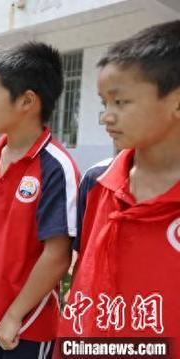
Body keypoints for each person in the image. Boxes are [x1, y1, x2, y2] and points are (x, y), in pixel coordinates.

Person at [57, 20, 180, 348]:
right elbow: (84, 274)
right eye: (104, 104)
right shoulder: (100, 182)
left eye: (121, 102)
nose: (107, 117)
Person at [0, 42, 79, 359]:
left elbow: (58, 254)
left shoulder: (55, 167)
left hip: (26, 324)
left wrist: (14, 314)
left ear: (27, 101)